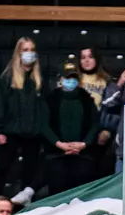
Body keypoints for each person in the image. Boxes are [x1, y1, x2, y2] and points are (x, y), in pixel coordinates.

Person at [0, 36, 46, 206]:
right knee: (2, 168)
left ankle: (26, 205)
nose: (29, 53)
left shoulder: (39, 80)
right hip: (11, 131)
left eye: (32, 50)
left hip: (33, 133)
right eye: (25, 50)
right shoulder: (7, 78)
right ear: (18, 53)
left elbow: (44, 108)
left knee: (30, 170)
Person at [43, 60, 100, 196]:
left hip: (83, 154)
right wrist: (59, 144)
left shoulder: (87, 99)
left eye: (74, 78)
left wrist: (84, 144)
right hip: (56, 154)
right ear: (60, 80)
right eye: (67, 78)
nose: (71, 81)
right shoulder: (51, 99)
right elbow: (44, 125)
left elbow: (95, 124)